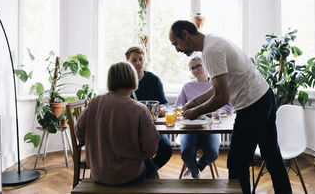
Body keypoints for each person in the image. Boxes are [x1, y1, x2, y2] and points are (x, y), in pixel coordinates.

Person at [169, 20, 292, 194]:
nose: (177, 49)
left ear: (185, 34)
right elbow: (218, 86)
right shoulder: (212, 41)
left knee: (236, 164)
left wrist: (195, 112)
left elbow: (221, 97)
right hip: (265, 97)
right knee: (272, 156)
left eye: (176, 43)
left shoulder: (210, 52)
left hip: (252, 106)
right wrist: (195, 102)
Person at [75, 62, 160, 185]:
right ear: (133, 79)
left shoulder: (95, 102)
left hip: (98, 174)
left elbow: (79, 132)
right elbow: (151, 149)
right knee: (152, 169)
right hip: (130, 175)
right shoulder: (140, 109)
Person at [175, 56, 233, 179]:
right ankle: (195, 174)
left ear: (205, 66)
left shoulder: (217, 83)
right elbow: (178, 107)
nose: (196, 69)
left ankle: (196, 167)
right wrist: (184, 111)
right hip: (189, 128)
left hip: (210, 127)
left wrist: (214, 111)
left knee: (212, 154)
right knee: (186, 153)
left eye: (198, 66)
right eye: (192, 68)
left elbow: (228, 108)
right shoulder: (187, 86)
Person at [125, 46, 172, 170]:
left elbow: (165, 103)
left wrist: (162, 109)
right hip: (131, 127)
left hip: (153, 125)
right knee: (136, 147)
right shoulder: (123, 81)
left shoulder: (153, 80)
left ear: (144, 60)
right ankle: (143, 172)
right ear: (127, 63)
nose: (138, 63)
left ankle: (148, 173)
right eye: (134, 60)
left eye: (140, 59)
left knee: (166, 148)